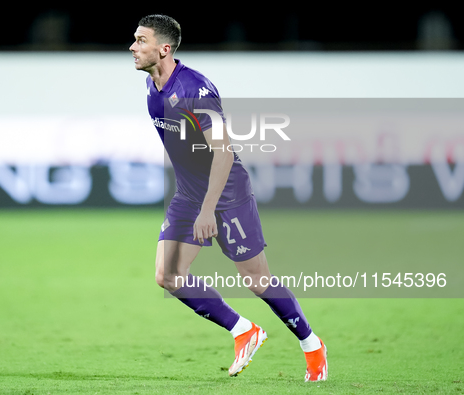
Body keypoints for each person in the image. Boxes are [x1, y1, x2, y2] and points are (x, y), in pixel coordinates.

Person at [129, 14, 328, 381]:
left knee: (257, 281)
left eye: (141, 40)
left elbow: (222, 152)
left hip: (227, 196)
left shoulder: (195, 89)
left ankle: (312, 345)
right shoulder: (150, 87)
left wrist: (208, 211)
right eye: (135, 39)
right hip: (189, 195)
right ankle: (243, 331)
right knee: (168, 275)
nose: (133, 46)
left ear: (164, 48)